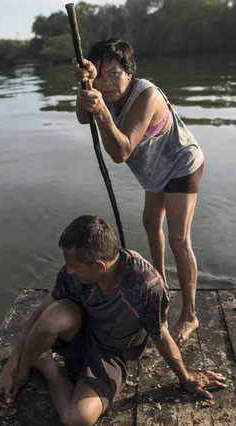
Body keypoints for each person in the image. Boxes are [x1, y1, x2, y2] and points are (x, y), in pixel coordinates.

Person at [0, 215, 226, 425]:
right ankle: (28, 368)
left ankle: (47, 366)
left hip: (111, 353)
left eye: (74, 266)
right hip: (79, 332)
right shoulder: (72, 275)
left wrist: (186, 378)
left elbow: (160, 334)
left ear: (100, 265)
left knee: (77, 419)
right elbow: (38, 315)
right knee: (51, 316)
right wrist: (13, 368)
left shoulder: (145, 286)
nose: (68, 271)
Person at [73, 38, 205, 345]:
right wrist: (83, 89)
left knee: (178, 239)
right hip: (153, 172)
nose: (107, 82)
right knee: (149, 223)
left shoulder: (147, 95)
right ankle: (159, 284)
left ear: (129, 72)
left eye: (114, 73)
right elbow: (83, 116)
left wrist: (102, 111)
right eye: (100, 75)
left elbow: (121, 152)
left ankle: (190, 315)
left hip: (181, 163)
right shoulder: (101, 92)